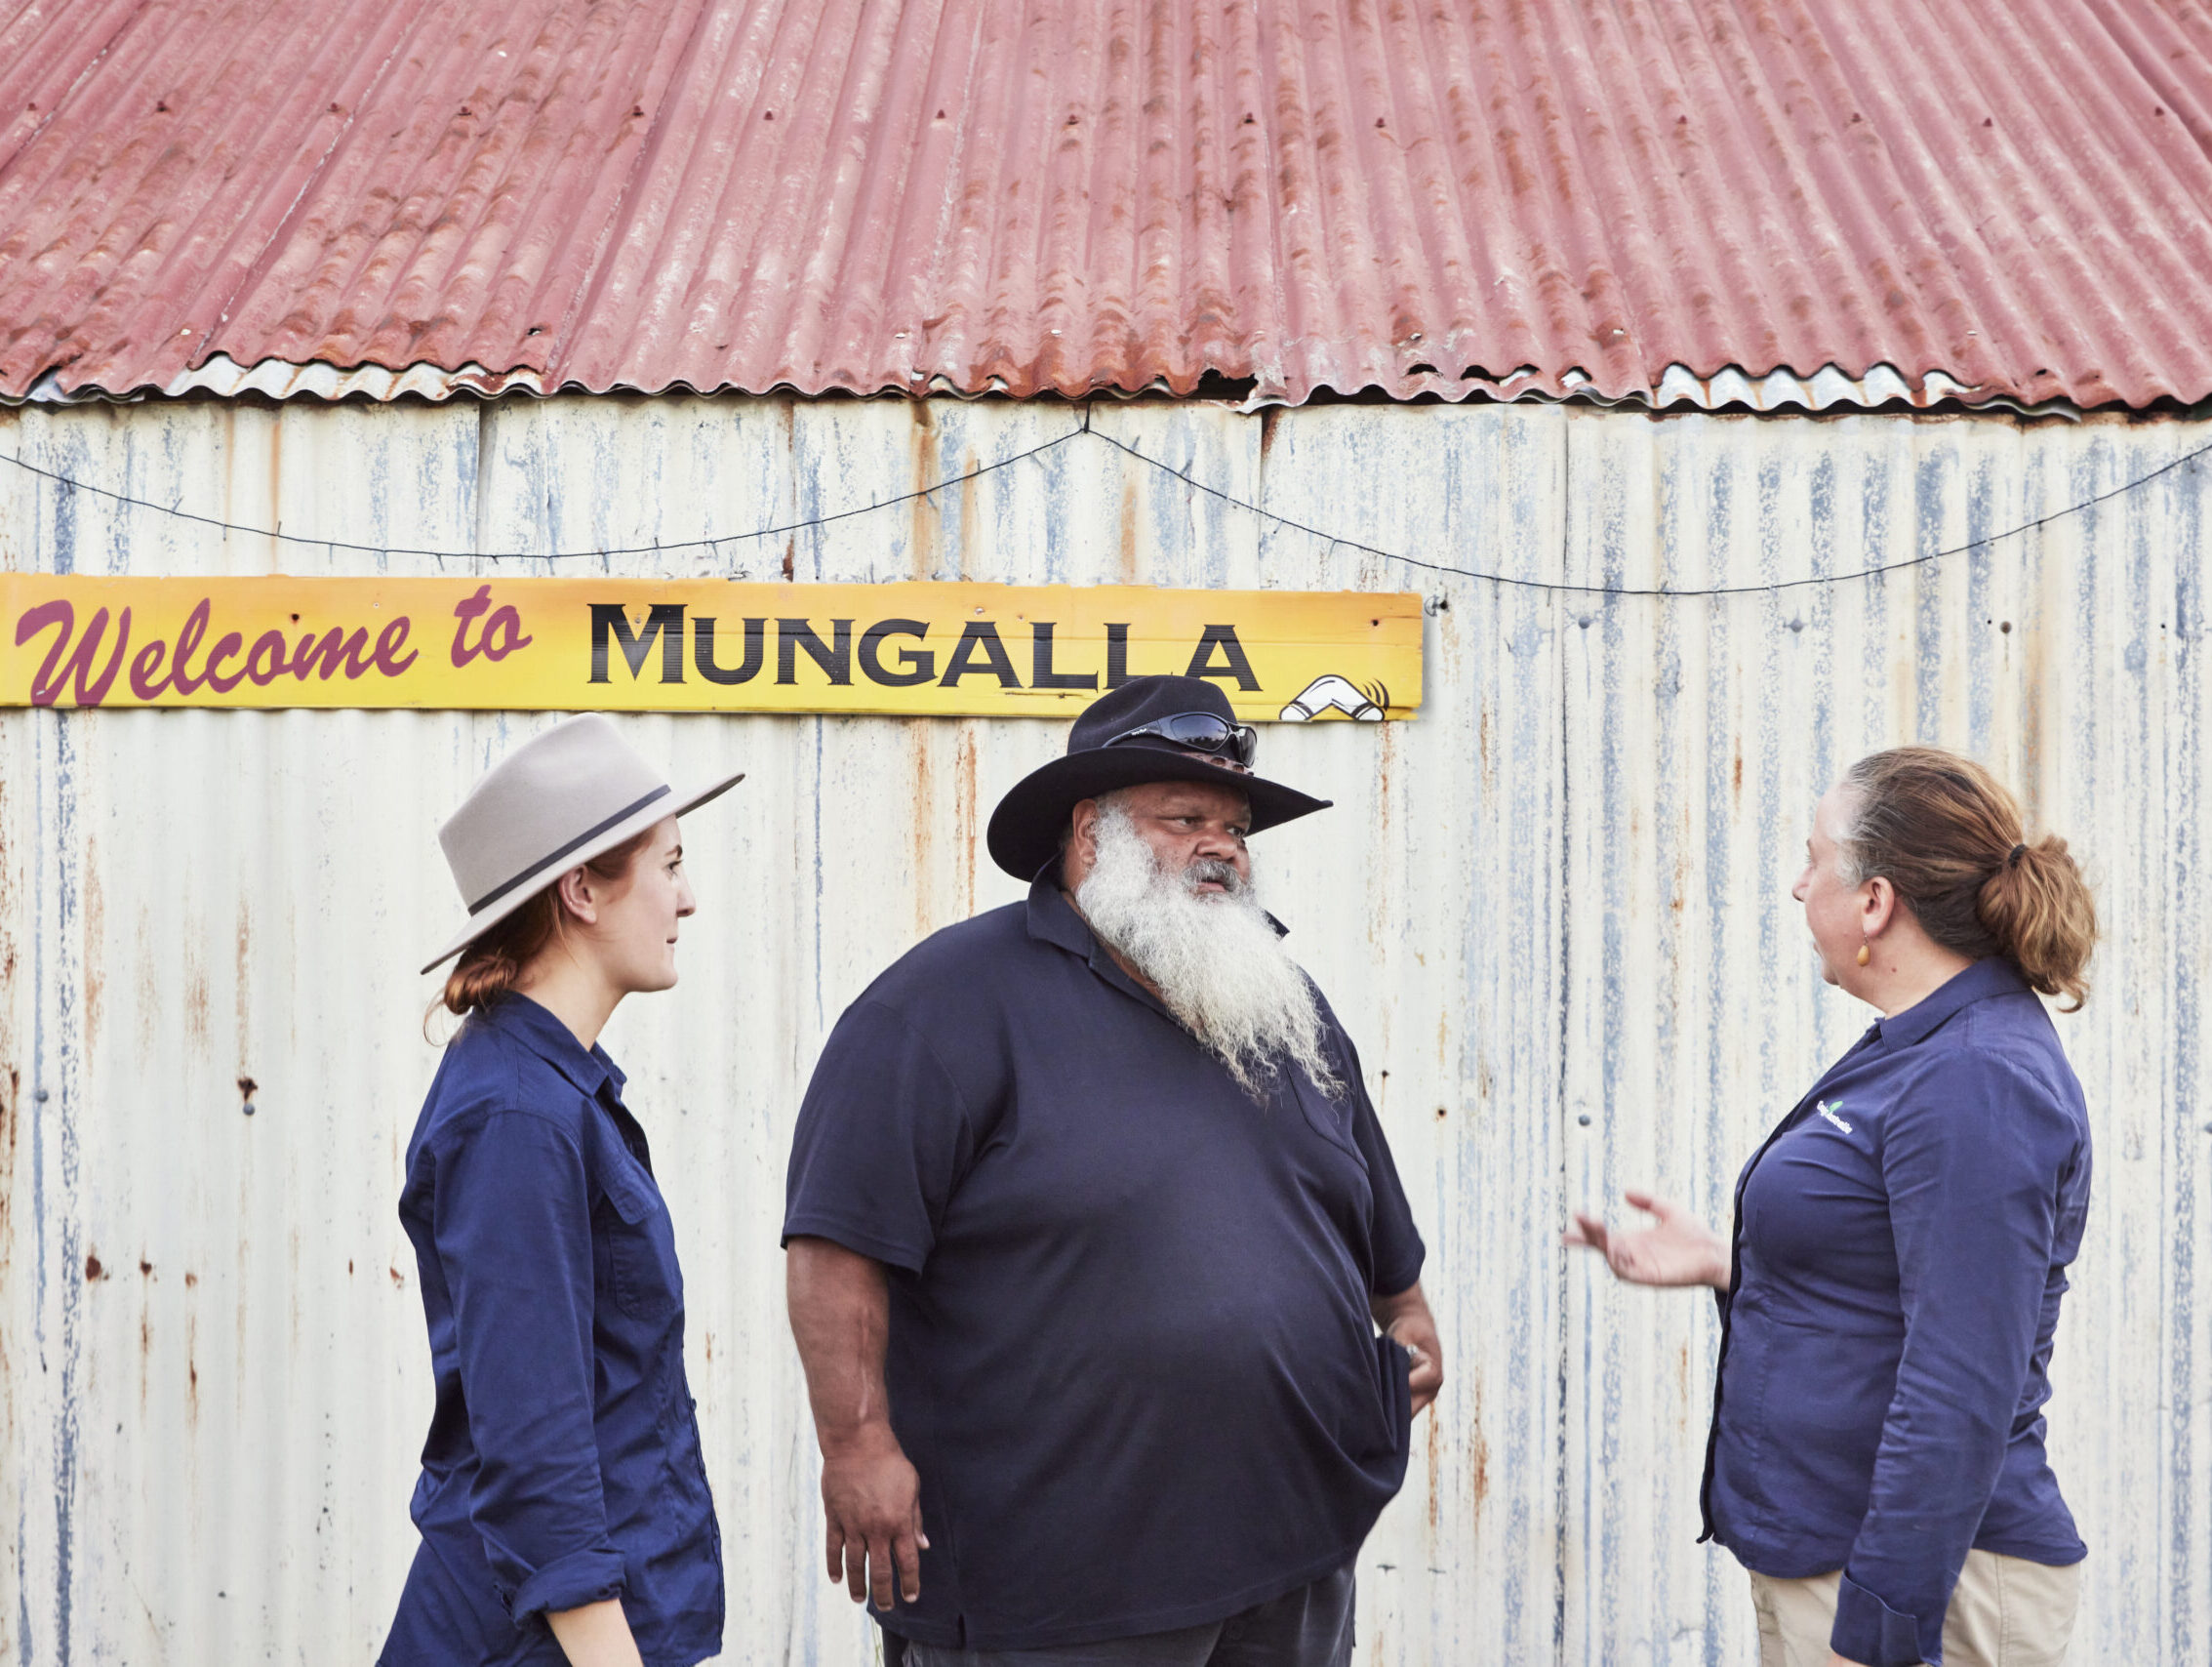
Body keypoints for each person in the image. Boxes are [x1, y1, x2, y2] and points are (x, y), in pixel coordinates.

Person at [782, 674, 1441, 1667]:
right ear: (1089, 834)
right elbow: (837, 1243)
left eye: (1234, 825)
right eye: (1184, 818)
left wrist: (1404, 1324)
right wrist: (857, 1444)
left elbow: (1370, 1224)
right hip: (1058, 1589)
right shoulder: (942, 1007)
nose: (1220, 845)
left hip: (1290, 1560)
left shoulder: (1280, 1007)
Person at [1568, 747, 2096, 1667]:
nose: (1796, 883)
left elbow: (1961, 1386)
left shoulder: (1974, 1079)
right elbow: (1906, 1281)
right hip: (1841, 1554)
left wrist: (1880, 1632)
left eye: (1814, 858)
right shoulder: (1925, 1049)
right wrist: (1734, 1265)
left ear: (1874, 902)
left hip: (1923, 1583)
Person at [380, 714, 743, 1667]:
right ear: (581, 888)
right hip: (544, 1644)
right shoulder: (514, 1114)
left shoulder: (556, 1090)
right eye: (669, 863)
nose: (689, 897)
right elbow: (532, 1438)